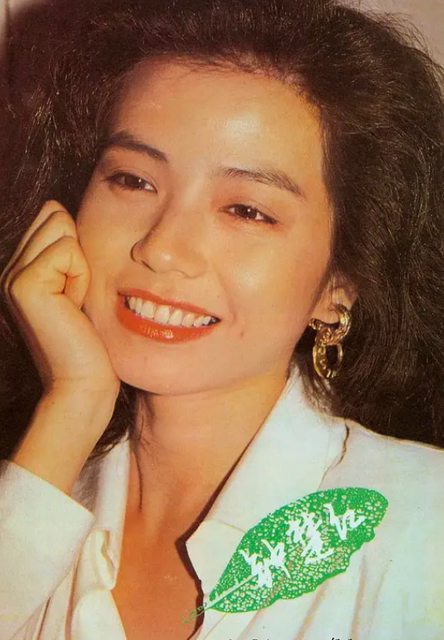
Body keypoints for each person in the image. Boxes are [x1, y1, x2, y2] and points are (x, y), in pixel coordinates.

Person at [0, 0, 443, 638]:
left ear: (339, 286)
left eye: (246, 211)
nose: (163, 248)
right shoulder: (34, 494)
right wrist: (73, 402)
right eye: (133, 180)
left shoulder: (424, 524)